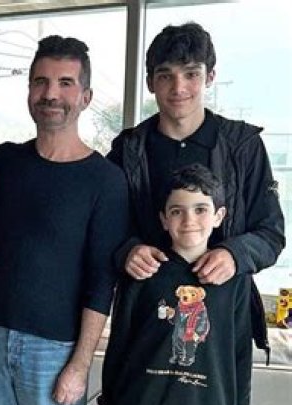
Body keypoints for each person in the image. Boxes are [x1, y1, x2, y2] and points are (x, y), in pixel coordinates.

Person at [0, 35, 129, 405]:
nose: (50, 94)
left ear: (86, 96)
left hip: (56, 348)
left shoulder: (105, 180)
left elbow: (102, 283)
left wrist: (79, 365)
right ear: (29, 91)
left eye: (64, 83)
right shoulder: (1, 162)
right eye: (40, 82)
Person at [108, 21, 284, 351]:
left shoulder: (243, 146)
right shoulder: (127, 149)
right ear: (150, 82)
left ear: (210, 77)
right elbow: (105, 228)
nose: (179, 87)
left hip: (225, 318)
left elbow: (271, 233)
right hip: (146, 316)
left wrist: (234, 254)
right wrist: (128, 250)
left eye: (191, 74)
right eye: (166, 75)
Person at [101, 164, 252, 405]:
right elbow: (119, 345)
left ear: (219, 216)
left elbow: (240, 357)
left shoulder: (235, 280)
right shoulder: (142, 272)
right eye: (177, 211)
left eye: (200, 209)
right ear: (163, 219)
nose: (189, 220)